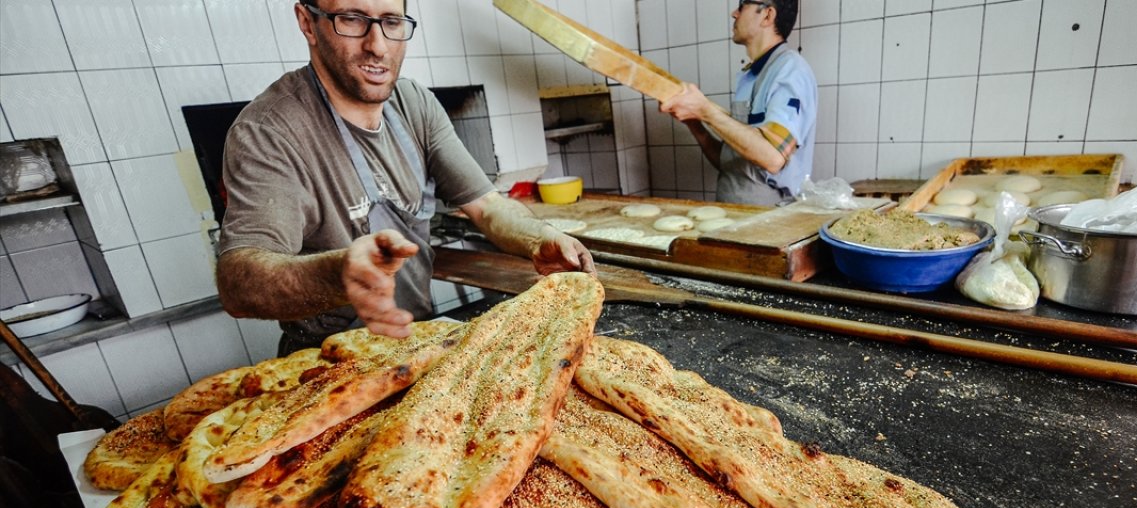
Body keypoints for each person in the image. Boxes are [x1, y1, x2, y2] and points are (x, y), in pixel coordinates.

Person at [216, 0, 594, 355]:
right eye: (352, 18)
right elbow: (239, 282)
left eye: (392, 22)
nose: (378, 46)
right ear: (307, 23)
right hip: (327, 361)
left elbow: (487, 206)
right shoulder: (269, 131)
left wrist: (539, 238)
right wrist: (339, 273)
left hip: (417, 341)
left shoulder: (414, 103)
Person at [660, 0, 816, 206]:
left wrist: (705, 109)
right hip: (734, 214)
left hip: (769, 221)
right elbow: (731, 164)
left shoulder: (791, 71)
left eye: (742, 6)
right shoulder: (749, 77)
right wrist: (694, 122)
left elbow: (773, 158)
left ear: (767, 15)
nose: (734, 13)